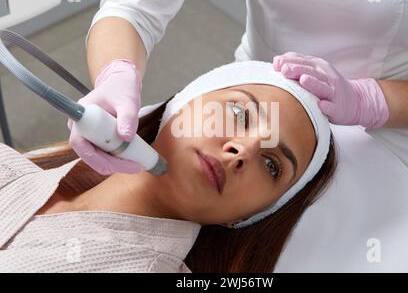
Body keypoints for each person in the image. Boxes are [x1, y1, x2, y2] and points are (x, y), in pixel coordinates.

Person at [75, 0, 408, 270]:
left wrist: (372, 100)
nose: (238, 153)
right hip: (256, 101)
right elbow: (134, 5)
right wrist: (116, 75)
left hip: (401, 128)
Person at [0, 61, 337, 272]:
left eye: (272, 165)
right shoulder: (9, 168)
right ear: (180, 107)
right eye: (239, 114)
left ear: (248, 217)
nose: (243, 150)